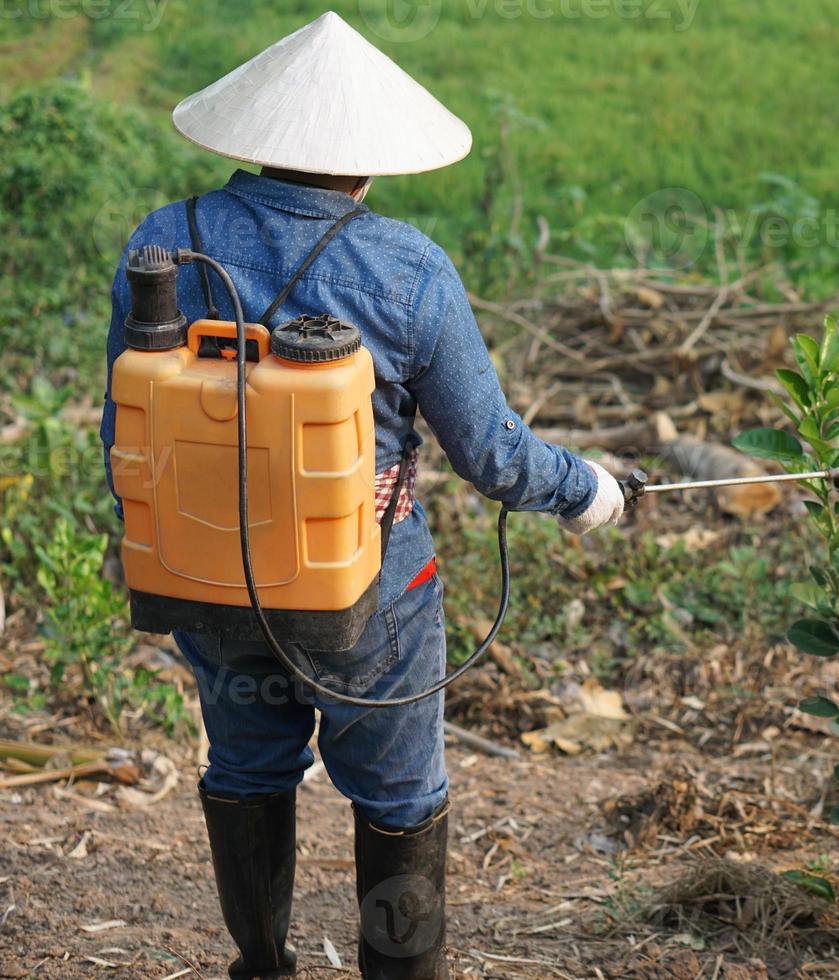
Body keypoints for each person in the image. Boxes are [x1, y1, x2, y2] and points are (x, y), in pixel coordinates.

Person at [99, 11, 624, 978]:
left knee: (248, 769)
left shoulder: (164, 243)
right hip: (363, 594)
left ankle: (260, 964)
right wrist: (587, 489)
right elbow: (495, 458)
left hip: (208, 581)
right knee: (399, 796)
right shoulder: (407, 268)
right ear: (366, 163)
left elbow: (122, 434)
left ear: (253, 139)